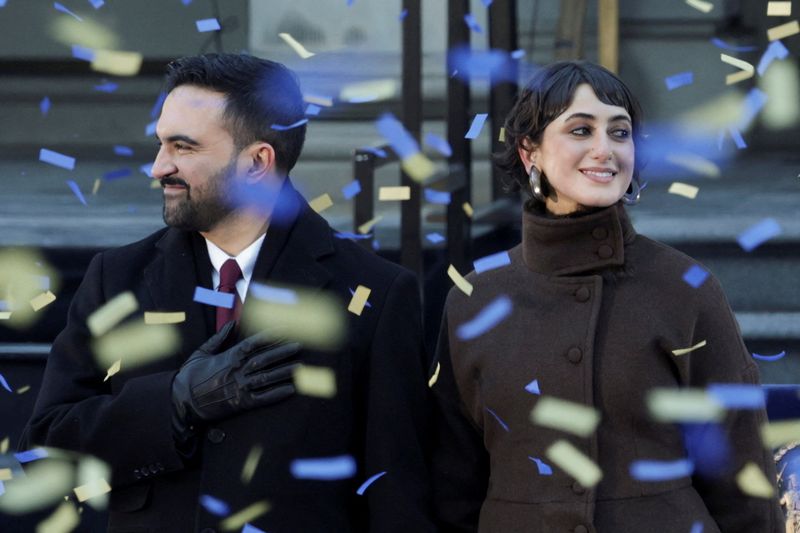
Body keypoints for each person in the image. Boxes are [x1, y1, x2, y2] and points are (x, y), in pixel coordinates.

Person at [21, 53, 434, 532]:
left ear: (257, 161)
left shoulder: (375, 292)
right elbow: (46, 452)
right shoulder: (116, 278)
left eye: (183, 147)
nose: (158, 167)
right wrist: (173, 402)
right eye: (160, 144)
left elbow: (398, 495)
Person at [430, 60, 783, 532]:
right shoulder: (474, 298)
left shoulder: (685, 287)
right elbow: (453, 482)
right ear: (529, 152)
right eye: (581, 130)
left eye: (620, 133)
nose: (605, 150)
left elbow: (742, 476)